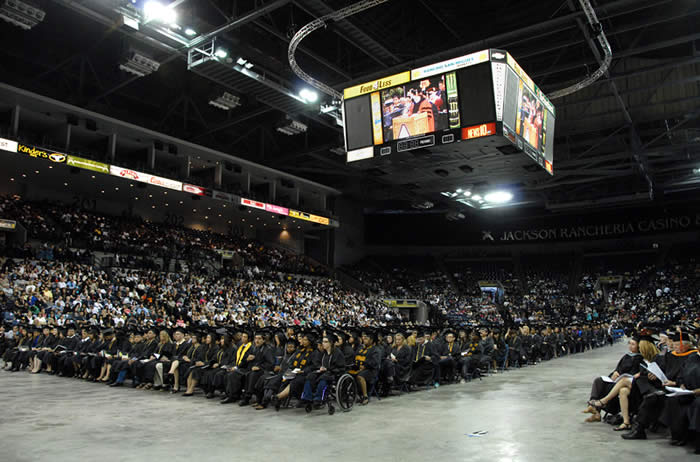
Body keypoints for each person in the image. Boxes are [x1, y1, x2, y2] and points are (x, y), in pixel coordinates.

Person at [623, 330, 698, 440]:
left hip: (676, 387)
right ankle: (650, 393)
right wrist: (654, 374)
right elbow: (662, 369)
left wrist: (676, 383)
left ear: (686, 345)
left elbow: (686, 376)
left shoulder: (691, 357)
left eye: (677, 345)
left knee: (652, 398)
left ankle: (639, 428)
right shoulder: (671, 355)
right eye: (674, 344)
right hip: (664, 383)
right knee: (640, 379)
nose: (675, 347)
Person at [584, 337, 645, 428]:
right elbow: (618, 369)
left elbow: (636, 373)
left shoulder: (641, 358)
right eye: (630, 344)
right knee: (598, 381)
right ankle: (595, 410)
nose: (630, 346)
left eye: (633, 344)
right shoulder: (626, 356)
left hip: (626, 383)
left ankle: (598, 406)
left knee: (608, 388)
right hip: (617, 380)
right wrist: (614, 373)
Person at [300, 333, 345, 409]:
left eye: (325, 342)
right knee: (310, 376)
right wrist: (320, 367)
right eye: (323, 342)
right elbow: (316, 363)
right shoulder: (322, 353)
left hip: (334, 373)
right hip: (323, 372)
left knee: (323, 379)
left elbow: (340, 367)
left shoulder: (338, 353)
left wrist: (328, 369)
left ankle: (318, 399)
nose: (323, 343)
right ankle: (307, 398)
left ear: (331, 343)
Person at [348, 330, 381, 405]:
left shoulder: (376, 350)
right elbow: (355, 358)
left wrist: (365, 366)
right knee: (347, 373)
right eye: (364, 338)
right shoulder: (361, 349)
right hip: (360, 368)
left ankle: (365, 396)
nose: (364, 339)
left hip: (371, 371)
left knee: (360, 376)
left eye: (366, 338)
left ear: (371, 340)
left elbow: (375, 363)